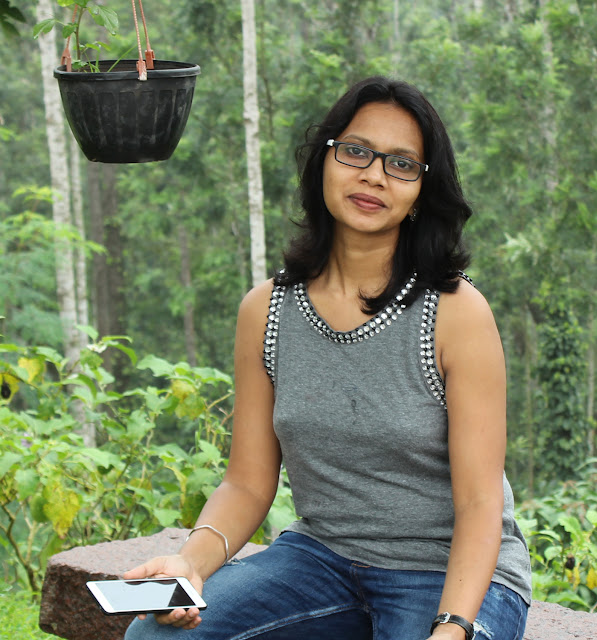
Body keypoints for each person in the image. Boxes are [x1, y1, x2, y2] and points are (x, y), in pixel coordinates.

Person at [124, 76, 531, 640]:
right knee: (156, 635)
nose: (374, 176)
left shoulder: (456, 312)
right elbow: (247, 483)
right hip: (322, 561)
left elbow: (481, 502)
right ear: (325, 160)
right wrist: (189, 564)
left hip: (448, 573)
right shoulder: (266, 310)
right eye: (356, 151)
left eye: (402, 164)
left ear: (421, 191)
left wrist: (452, 626)